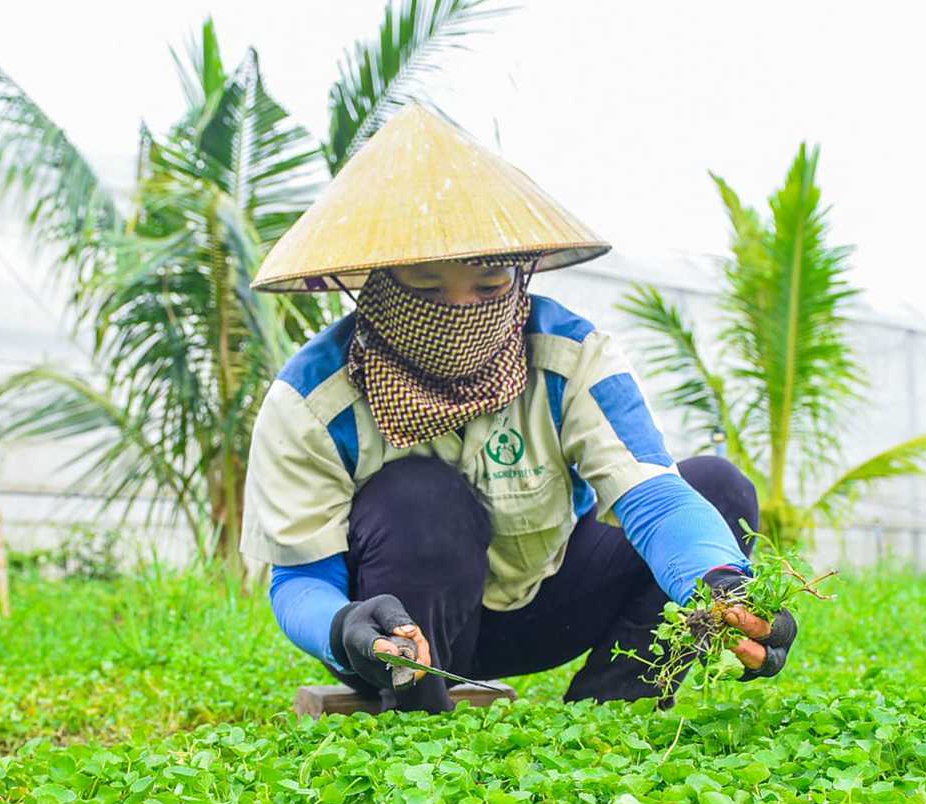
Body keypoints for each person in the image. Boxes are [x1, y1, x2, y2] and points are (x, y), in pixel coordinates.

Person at [242, 103, 794, 712]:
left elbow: (653, 497)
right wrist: (343, 625)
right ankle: (418, 715)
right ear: (373, 283)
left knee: (717, 487)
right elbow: (300, 580)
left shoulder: (569, 357)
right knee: (419, 494)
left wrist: (723, 587)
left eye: (488, 284)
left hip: (545, 611)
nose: (459, 311)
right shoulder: (312, 402)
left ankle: (612, 720)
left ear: (521, 274)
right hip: (392, 633)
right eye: (424, 286)